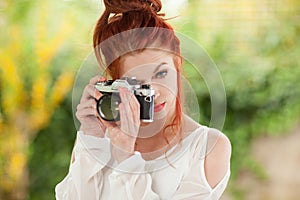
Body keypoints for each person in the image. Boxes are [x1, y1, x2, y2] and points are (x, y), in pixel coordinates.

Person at [55, 0, 231, 199]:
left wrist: (126, 157)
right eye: (136, 82)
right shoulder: (100, 138)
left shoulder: (208, 148)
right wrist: (91, 137)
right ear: (117, 84)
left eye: (161, 74)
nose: (153, 91)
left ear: (178, 64)